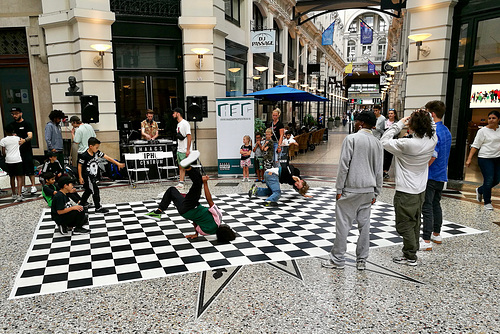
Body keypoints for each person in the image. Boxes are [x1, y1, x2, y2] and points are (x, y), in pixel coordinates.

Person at [322, 111, 383, 271]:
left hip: (351, 189)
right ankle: (362, 260)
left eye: (356, 121)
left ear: (361, 123)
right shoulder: (377, 143)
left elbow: (344, 166)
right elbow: (379, 170)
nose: (355, 123)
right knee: (365, 227)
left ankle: (337, 260)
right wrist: (377, 191)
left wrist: (339, 188)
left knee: (343, 225)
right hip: (368, 191)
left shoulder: (351, 139)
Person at [381, 109, 437, 266]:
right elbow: (433, 126)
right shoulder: (432, 139)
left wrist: (398, 124)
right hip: (420, 190)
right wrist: (426, 115)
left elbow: (384, 141)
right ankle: (411, 251)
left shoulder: (407, 144)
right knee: (415, 221)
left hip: (406, 191)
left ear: (412, 125)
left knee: (403, 224)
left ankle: (410, 255)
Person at [146, 152, 236, 243]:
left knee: (198, 182)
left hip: (192, 205)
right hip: (184, 212)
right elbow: (195, 221)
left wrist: (205, 183)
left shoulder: (218, 219)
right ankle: (158, 212)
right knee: (171, 191)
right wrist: (196, 234)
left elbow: (209, 200)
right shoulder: (206, 232)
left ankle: (187, 166)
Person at [419, 101, 452, 251]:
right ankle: (436, 234)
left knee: (427, 207)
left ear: (432, 114)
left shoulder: (434, 132)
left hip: (431, 175)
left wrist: (422, 169)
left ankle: (426, 240)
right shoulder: (446, 131)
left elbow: (433, 155)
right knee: (436, 204)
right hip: (441, 175)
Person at [78, 137, 125, 213]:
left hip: (94, 175)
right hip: (87, 176)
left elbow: (107, 157)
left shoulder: (97, 153)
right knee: (95, 190)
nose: (97, 149)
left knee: (89, 191)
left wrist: (117, 163)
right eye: (96, 147)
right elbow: (79, 165)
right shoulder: (84, 155)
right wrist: (80, 177)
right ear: (91, 146)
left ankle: (81, 205)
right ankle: (98, 207)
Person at [465, 110, 500, 211]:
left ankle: (480, 190)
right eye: (489, 118)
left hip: (497, 158)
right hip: (485, 158)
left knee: (496, 179)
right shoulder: (482, 131)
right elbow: (475, 146)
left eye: (493, 118)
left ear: (498, 119)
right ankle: (487, 202)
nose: (491, 120)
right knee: (488, 179)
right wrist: (469, 158)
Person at [9, 107, 37, 195]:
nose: (15, 115)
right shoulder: (12, 125)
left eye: (16, 113)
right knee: (20, 169)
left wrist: (24, 140)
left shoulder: (27, 123)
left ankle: (33, 185)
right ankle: (23, 187)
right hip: (16, 151)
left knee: (29, 166)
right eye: (13, 114)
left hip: (26, 150)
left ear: (21, 114)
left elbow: (30, 135)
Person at [0, 125, 24, 202]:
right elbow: (21, 144)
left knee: (12, 177)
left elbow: (3, 152)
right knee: (19, 177)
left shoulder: (3, 140)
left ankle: (13, 193)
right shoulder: (17, 138)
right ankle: (19, 194)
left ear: (5, 131)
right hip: (17, 159)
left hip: (9, 160)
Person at [172, 108, 192, 191]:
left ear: (178, 113)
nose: (173, 115)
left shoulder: (185, 124)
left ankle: (196, 179)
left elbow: (189, 136)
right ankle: (181, 182)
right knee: (181, 166)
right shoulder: (178, 124)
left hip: (184, 149)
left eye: (174, 113)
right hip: (179, 148)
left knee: (186, 166)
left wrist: (188, 149)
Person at [383, 109, 399, 179]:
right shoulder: (384, 122)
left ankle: (386, 171)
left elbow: (398, 131)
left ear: (394, 114)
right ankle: (381, 170)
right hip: (384, 141)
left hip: (392, 141)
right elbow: (380, 129)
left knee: (389, 157)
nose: (390, 115)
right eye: (389, 113)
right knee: (383, 156)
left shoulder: (396, 123)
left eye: (392, 113)